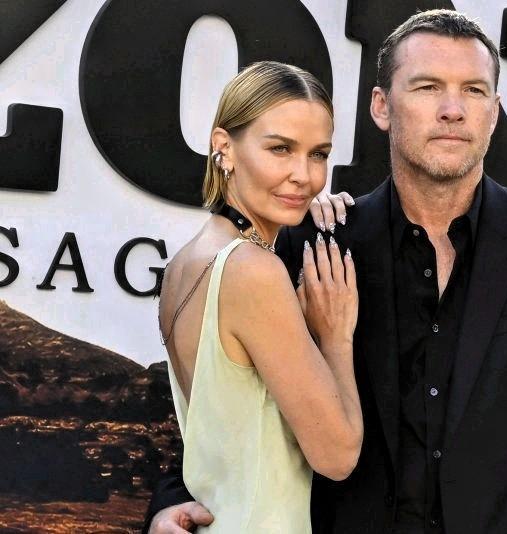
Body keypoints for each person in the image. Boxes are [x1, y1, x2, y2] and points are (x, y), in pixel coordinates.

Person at [146, 10, 507, 534]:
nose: (452, 110)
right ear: (381, 106)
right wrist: (169, 506)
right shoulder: (314, 243)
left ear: (494, 112)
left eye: (473, 91)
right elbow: (232, 408)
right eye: (427, 87)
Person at [154, 61, 362, 533]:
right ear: (224, 147)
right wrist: (335, 336)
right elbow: (338, 456)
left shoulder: (184, 264)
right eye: (280, 149)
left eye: (318, 154)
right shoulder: (253, 270)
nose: (303, 175)